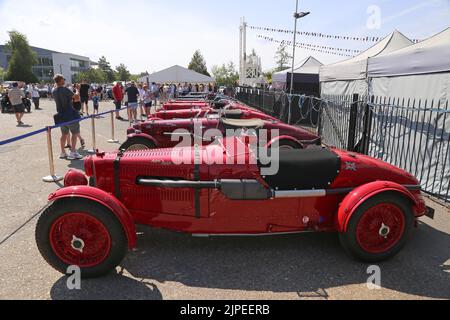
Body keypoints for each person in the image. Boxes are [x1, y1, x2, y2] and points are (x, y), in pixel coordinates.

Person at [52, 74, 83, 160]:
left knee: (64, 134)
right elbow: (76, 97)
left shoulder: (54, 91)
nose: (64, 80)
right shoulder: (64, 89)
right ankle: (73, 152)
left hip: (61, 115)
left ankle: (62, 152)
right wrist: (77, 90)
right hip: (70, 114)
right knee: (75, 133)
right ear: (60, 80)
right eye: (63, 79)